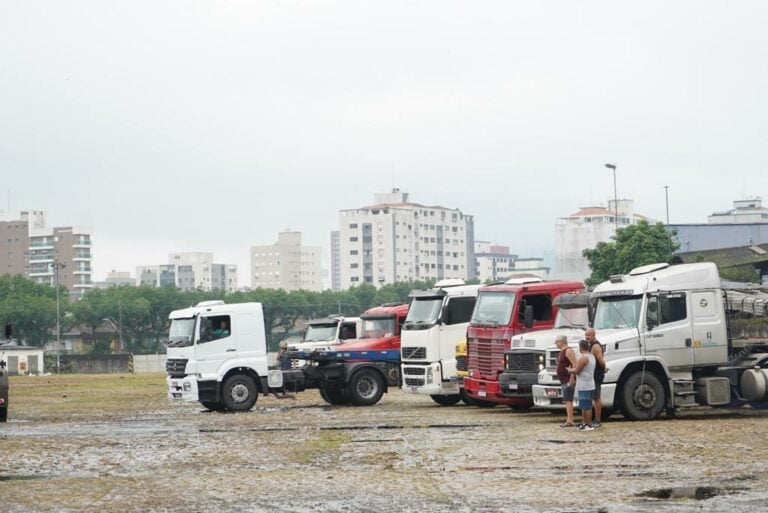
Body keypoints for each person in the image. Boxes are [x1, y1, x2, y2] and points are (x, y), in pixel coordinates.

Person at [568, 339, 596, 431]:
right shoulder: (592, 356)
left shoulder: (583, 358)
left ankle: (588, 424)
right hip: (590, 384)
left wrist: (570, 370)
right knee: (586, 405)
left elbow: (577, 371)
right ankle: (585, 423)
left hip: (584, 385)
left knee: (586, 406)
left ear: (581, 347)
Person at [586, 328, 607, 428]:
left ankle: (598, 420)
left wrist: (603, 368)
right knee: (593, 397)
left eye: (589, 335)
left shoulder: (596, 346)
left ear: (594, 335)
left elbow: (600, 360)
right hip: (592, 374)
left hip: (596, 374)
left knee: (596, 397)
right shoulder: (591, 345)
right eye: (585, 335)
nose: (586, 337)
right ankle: (592, 419)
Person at [555, 335, 577, 428]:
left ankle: (570, 420)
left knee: (568, 400)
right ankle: (569, 419)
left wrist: (572, 378)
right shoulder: (562, 352)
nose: (555, 343)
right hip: (563, 380)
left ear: (562, 342)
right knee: (567, 400)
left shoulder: (568, 351)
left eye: (557, 341)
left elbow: (574, 364)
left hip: (568, 379)